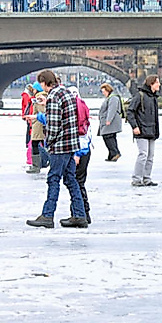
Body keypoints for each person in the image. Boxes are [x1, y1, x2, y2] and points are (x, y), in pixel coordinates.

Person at [25, 70, 87, 228]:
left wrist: (49, 143)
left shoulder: (53, 97)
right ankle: (80, 215)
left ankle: (47, 215)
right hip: (71, 144)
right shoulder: (67, 93)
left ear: (45, 82)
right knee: (71, 179)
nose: (42, 88)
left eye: (42, 84)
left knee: (53, 179)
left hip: (59, 146)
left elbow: (53, 125)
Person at [127, 75, 161, 187]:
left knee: (150, 156)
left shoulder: (154, 97)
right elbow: (130, 112)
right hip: (141, 130)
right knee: (143, 154)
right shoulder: (140, 96)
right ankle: (136, 178)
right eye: (157, 82)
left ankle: (147, 178)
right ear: (151, 84)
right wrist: (134, 126)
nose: (159, 85)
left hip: (152, 130)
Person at [69, 86, 94, 224]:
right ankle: (80, 212)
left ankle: (81, 213)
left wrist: (77, 153)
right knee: (78, 182)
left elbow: (81, 135)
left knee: (77, 183)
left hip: (79, 152)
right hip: (85, 150)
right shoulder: (83, 107)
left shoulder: (76, 111)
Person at [97, 83, 123, 161]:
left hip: (111, 122)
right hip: (108, 121)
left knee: (108, 137)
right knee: (110, 137)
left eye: (104, 91)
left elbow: (112, 109)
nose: (103, 93)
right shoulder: (110, 97)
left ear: (108, 90)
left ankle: (115, 153)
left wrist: (108, 120)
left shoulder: (113, 98)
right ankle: (112, 155)